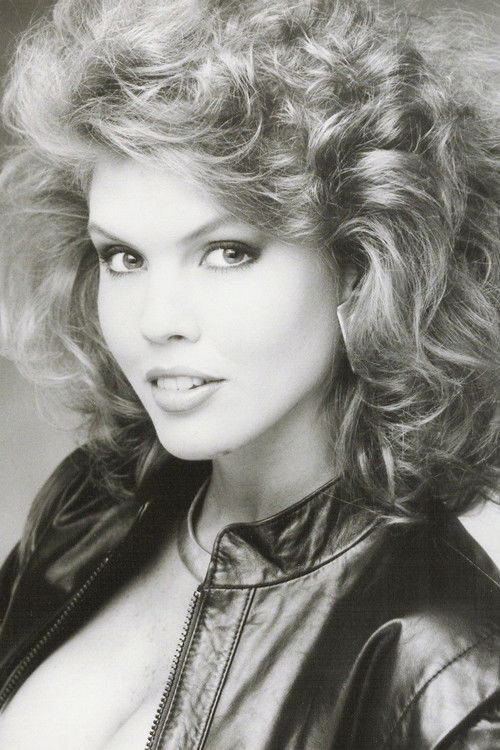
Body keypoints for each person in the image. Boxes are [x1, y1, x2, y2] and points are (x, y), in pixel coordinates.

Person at [0, 0, 499, 747]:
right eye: (123, 257)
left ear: (364, 263)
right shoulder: (89, 506)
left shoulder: (446, 669)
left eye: (227, 251)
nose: (157, 320)